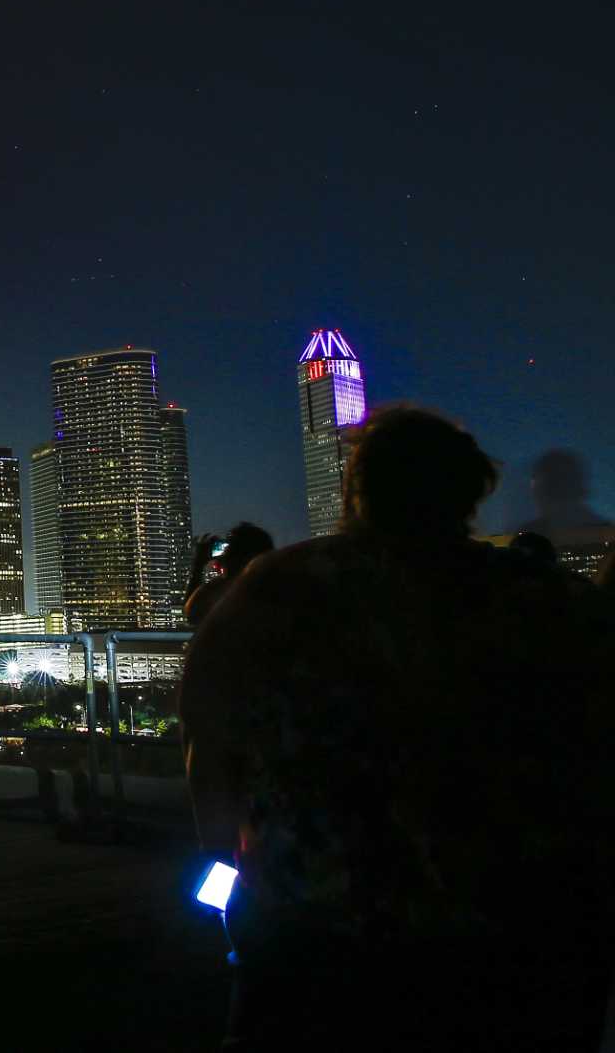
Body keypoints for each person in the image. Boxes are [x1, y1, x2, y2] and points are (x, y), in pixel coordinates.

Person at [182, 407, 615, 1050]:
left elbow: (210, 723)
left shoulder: (278, 586)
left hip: (310, 908)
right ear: (471, 491)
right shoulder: (537, 595)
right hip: (497, 914)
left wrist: (227, 846)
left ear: (357, 488)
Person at [181, 522, 274, 628]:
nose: (223, 555)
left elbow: (192, 613)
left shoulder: (230, 590)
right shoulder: (272, 589)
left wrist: (199, 563)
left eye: (229, 549)